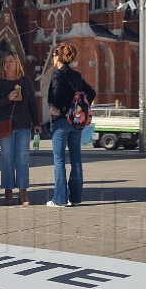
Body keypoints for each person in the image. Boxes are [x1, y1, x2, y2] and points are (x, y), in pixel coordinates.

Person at [0, 52, 41, 206]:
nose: (8, 64)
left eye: (11, 61)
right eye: (5, 62)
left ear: (17, 63)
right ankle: (8, 190)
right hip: (6, 127)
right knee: (7, 159)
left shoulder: (25, 82)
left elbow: (32, 103)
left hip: (23, 125)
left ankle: (23, 192)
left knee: (23, 159)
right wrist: (7, 98)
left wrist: (36, 123)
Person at [47, 42, 96, 207]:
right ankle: (75, 198)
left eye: (54, 56)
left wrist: (60, 110)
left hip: (61, 123)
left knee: (59, 160)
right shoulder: (76, 75)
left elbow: (55, 96)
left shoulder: (57, 75)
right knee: (76, 160)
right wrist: (78, 109)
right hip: (76, 123)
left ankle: (60, 199)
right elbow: (91, 92)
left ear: (58, 57)